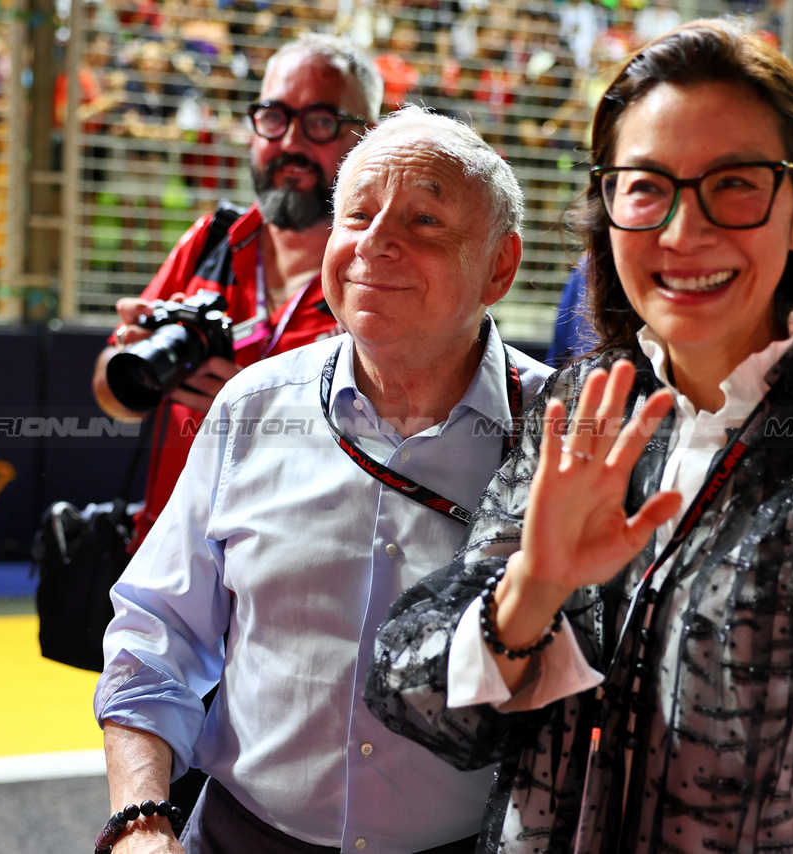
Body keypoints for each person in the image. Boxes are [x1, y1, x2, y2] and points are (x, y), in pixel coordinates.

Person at [367, 20, 793, 854]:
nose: (683, 230)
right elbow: (417, 698)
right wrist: (533, 586)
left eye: (737, 183)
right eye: (646, 186)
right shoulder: (579, 408)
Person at [93, 107, 553, 854]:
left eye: (427, 220)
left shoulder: (559, 434)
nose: (377, 243)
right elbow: (158, 633)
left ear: (500, 265)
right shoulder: (249, 408)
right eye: (359, 214)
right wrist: (137, 819)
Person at [91, 34, 383, 550]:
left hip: (292, 585)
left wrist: (256, 407)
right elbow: (110, 392)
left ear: (371, 137)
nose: (291, 143)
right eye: (274, 117)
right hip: (167, 573)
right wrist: (130, 354)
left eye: (320, 121)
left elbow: (397, 451)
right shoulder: (209, 242)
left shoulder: (380, 276)